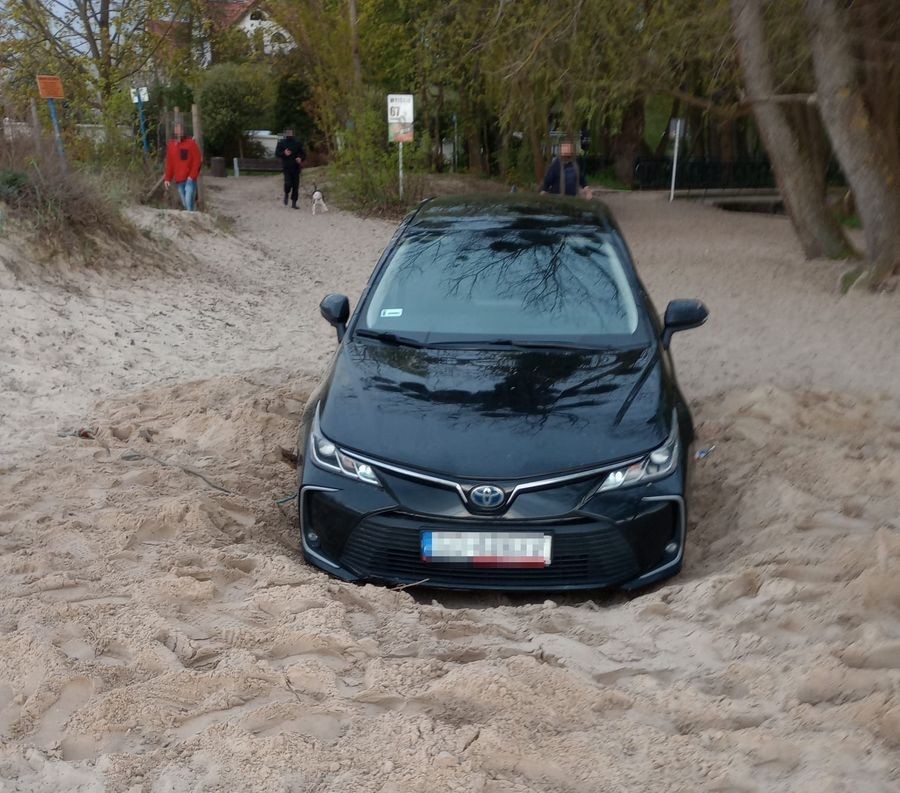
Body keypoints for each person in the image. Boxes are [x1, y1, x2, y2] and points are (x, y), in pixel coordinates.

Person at [164, 122, 202, 212]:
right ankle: (196, 216)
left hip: (189, 179)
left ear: (183, 131)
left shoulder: (191, 144)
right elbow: (170, 163)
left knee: (188, 202)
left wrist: (192, 176)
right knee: (186, 203)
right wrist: (167, 178)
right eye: (176, 129)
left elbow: (198, 160)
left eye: (180, 129)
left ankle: (192, 219)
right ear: (174, 131)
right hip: (179, 179)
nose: (179, 132)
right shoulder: (171, 145)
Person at [275, 129, 306, 209]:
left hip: (296, 167)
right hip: (286, 167)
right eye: (288, 133)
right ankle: (286, 193)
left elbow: (303, 154)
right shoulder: (281, 143)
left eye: (291, 133)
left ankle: (294, 203)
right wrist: (284, 153)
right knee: (288, 183)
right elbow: (277, 154)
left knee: (296, 186)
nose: (289, 134)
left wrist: (300, 158)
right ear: (285, 134)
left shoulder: (297, 143)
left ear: (293, 134)